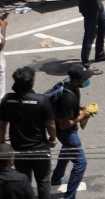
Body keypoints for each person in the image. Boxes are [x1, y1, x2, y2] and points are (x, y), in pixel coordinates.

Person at [0, 66, 56, 199]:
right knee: (43, 181)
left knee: (24, 182)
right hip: (40, 150)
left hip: (19, 150)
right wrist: (53, 139)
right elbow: (51, 125)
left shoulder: (7, 99)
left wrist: (2, 145)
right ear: (31, 82)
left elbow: (2, 125)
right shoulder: (41, 100)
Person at [49, 65, 91, 199]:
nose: (87, 80)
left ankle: (56, 177)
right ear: (76, 80)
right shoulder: (68, 98)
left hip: (63, 124)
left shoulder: (68, 84)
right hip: (66, 131)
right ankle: (70, 197)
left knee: (67, 149)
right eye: (84, 78)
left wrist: (78, 107)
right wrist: (82, 116)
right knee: (81, 163)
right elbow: (65, 125)